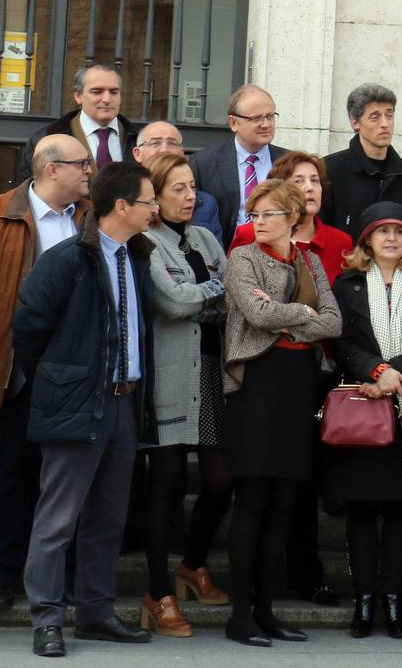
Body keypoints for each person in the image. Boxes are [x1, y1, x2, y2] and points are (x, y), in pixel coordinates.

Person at [15, 161, 162, 657]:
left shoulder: (137, 256)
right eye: (148, 201)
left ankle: (96, 613)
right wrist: (64, 380)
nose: (155, 210)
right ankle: (47, 619)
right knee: (57, 519)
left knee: (107, 518)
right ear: (121, 205)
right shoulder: (67, 259)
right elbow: (29, 328)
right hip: (80, 404)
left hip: (125, 404)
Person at [0, 133, 90, 611]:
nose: (90, 170)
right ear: (51, 169)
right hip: (18, 367)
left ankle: (57, 575)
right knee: (13, 472)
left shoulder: (90, 219)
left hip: (77, 369)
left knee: (65, 478)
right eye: (81, 164)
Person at [220, 178, 343, 646]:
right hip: (257, 385)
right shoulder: (242, 258)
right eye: (255, 213)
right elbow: (257, 315)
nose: (260, 221)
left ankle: (267, 611)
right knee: (252, 499)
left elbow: (334, 321)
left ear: (293, 217)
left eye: (270, 213)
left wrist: (291, 313)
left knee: (285, 502)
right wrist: (303, 315)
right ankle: (239, 615)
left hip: (298, 386)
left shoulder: (310, 260)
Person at [328, 202, 402, 639]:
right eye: (383, 232)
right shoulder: (347, 284)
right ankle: (364, 601)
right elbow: (340, 341)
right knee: (362, 511)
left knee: (401, 510)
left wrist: (398, 371)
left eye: (399, 232)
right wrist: (377, 372)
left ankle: (394, 601)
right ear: (367, 240)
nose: (392, 239)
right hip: (365, 405)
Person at [136, 154, 234, 637]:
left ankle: (192, 564)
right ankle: (159, 592)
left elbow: (230, 296)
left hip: (214, 377)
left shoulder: (207, 239)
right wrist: (210, 291)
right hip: (172, 378)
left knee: (220, 480)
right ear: (154, 195)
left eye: (192, 186)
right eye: (176, 188)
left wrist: (205, 293)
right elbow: (173, 303)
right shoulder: (146, 244)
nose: (189, 196)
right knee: (167, 484)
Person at [321, 83, 402, 239]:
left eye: (389, 115)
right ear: (355, 122)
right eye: (375, 117)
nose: (385, 124)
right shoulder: (329, 171)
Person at [229, 151, 353, 282]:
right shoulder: (251, 233)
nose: (310, 187)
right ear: (279, 190)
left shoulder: (340, 242)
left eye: (315, 180)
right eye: (298, 181)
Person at [190, 84, 291, 226]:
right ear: (233, 123)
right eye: (256, 118)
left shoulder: (290, 162)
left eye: (270, 116)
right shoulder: (204, 164)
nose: (266, 124)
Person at [18, 62, 137, 178]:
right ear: (78, 96)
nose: (107, 99)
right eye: (97, 92)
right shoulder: (44, 139)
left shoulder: (139, 139)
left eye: (114, 92)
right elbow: (29, 191)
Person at [132, 121, 223, 243]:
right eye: (155, 143)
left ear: (182, 152)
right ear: (138, 154)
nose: (164, 149)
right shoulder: (128, 201)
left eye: (171, 143)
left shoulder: (205, 204)